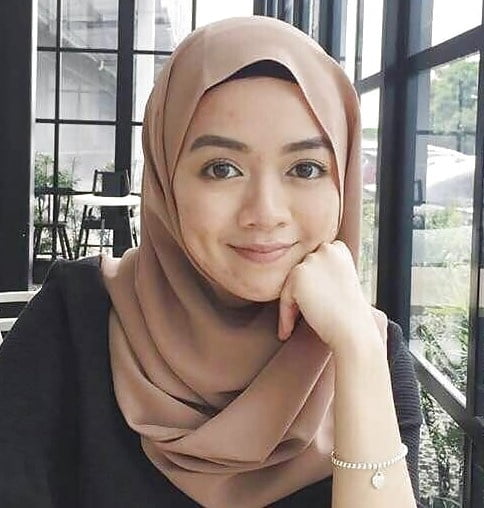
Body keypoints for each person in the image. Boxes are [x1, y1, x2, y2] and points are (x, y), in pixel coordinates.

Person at [0, 15, 423, 508]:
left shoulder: (371, 352)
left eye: (305, 168)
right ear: (165, 179)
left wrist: (356, 349)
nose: (265, 213)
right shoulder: (74, 319)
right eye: (222, 169)